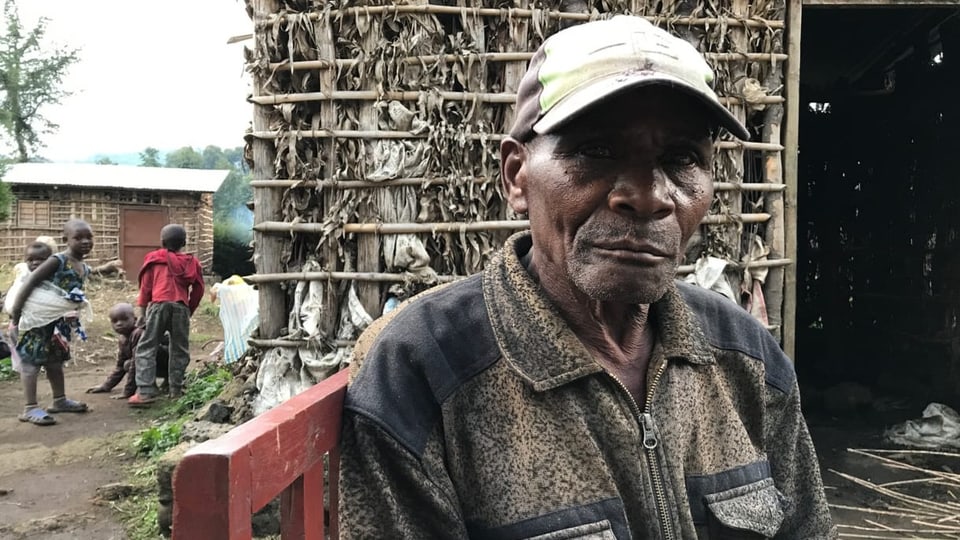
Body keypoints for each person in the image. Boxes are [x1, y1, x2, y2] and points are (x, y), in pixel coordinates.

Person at [338, 16, 836, 539]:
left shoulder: (745, 358)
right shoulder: (424, 372)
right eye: (596, 151)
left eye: (681, 158)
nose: (648, 196)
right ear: (516, 176)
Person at [8, 219, 94, 426]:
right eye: (78, 237)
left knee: (55, 362)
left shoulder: (84, 267)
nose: (85, 241)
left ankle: (59, 400)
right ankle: (29, 408)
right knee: (30, 363)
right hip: (37, 323)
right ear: (66, 240)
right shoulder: (57, 261)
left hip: (57, 325)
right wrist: (16, 318)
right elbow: (29, 284)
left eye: (89, 237)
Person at [128, 224, 204, 406]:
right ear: (184, 243)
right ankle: (175, 390)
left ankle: (145, 392)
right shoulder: (192, 263)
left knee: (147, 347)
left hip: (158, 305)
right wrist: (188, 310)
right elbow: (199, 290)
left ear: (162, 242)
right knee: (179, 349)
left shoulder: (154, 259)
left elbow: (146, 289)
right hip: (180, 306)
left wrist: (143, 314)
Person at [86, 302, 169, 399]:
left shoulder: (138, 334)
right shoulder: (123, 338)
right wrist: (106, 386)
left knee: (131, 364)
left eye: (124, 319)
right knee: (126, 364)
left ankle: (160, 383)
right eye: (115, 321)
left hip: (166, 366)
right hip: (152, 366)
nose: (119, 323)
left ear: (135, 320)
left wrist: (128, 392)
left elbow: (136, 364)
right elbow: (120, 366)